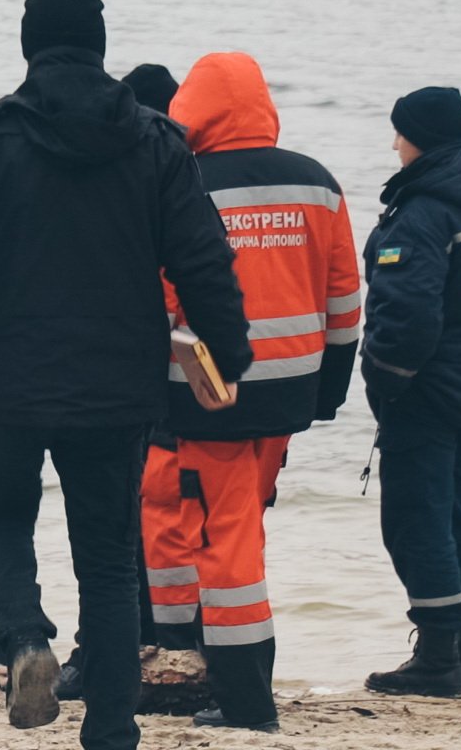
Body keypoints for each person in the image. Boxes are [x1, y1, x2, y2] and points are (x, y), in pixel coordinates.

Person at [0, 0, 251, 750]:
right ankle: (111, 728)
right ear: (100, 50)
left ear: (29, 48)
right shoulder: (157, 144)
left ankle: (25, 637)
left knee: (1, 517)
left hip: (9, 382)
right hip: (116, 389)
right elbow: (205, 259)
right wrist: (229, 354)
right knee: (107, 559)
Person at [141, 52, 361, 732]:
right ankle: (205, 665)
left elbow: (163, 296)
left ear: (195, 109)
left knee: (223, 541)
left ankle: (243, 702)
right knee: (236, 529)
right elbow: (345, 297)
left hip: (206, 396)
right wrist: (328, 393)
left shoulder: (186, 180)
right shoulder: (318, 183)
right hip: (288, 393)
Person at [55, 61, 181, 703]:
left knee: (118, 536)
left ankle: (99, 657)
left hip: (123, 383)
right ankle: (153, 652)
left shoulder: (132, 168)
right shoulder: (168, 167)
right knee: (151, 532)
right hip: (177, 385)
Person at [362, 86, 461, 698]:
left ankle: (437, 660)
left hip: (428, 394)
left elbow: (406, 320)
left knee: (417, 521)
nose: (394, 143)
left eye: (400, 132)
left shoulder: (425, 210)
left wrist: (385, 382)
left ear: (422, 138)